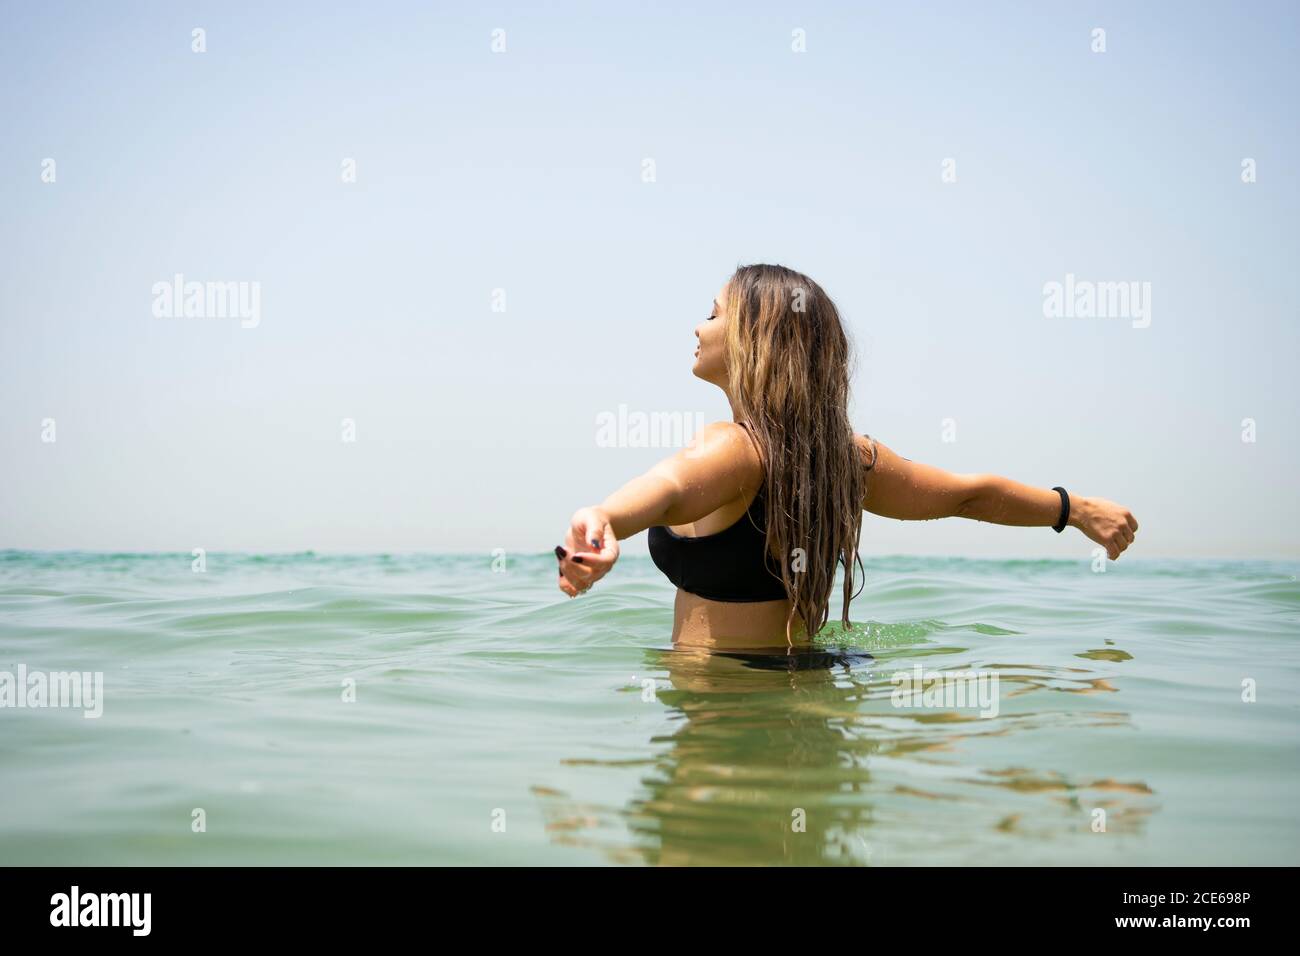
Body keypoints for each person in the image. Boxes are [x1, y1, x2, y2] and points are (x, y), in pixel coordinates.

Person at [555, 264, 1138, 649]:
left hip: (727, 713)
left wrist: (608, 516)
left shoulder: (732, 446)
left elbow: (672, 486)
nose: (698, 326)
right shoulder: (843, 461)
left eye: (713, 313)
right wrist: (1074, 508)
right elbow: (968, 495)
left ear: (757, 337)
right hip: (806, 694)